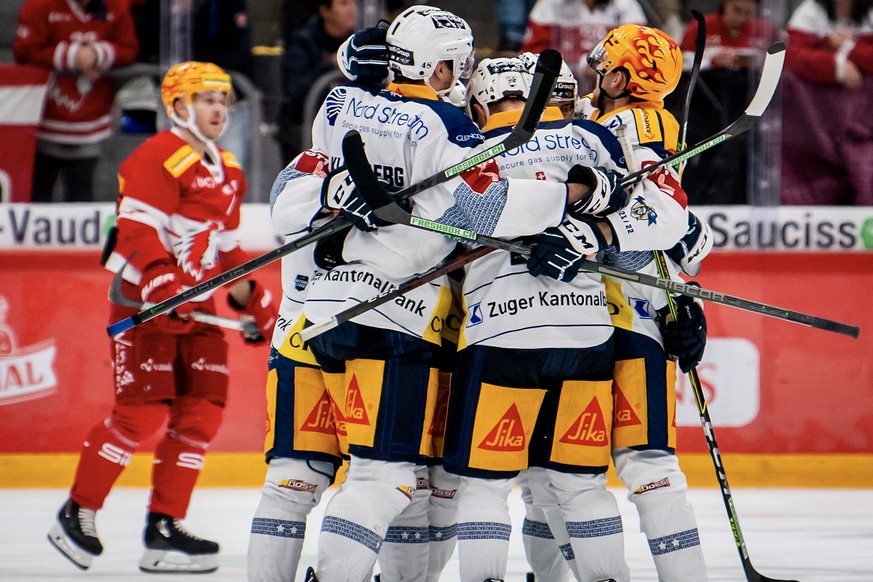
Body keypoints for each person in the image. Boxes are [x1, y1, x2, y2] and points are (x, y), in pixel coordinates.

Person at [298, 6, 594, 581]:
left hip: (328, 308)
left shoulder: (336, 103)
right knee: (385, 478)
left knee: (388, 478)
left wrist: (332, 197)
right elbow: (481, 208)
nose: (460, 77)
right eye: (454, 66)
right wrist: (566, 202)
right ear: (435, 68)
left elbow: (301, 187)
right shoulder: (448, 125)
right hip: (397, 316)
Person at [47, 61, 278, 574]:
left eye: (224, 101)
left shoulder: (229, 170)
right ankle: (77, 510)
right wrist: (158, 278)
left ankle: (164, 528)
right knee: (141, 415)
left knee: (201, 415)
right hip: (145, 304)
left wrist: (249, 297)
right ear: (177, 106)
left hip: (197, 306)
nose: (219, 109)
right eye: (207, 99)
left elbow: (224, 249)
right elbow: (134, 226)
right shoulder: (158, 155)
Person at [573, 24, 711, 580]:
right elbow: (680, 234)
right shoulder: (595, 114)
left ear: (629, 74)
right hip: (587, 307)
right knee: (569, 472)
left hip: (626, 306)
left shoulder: (643, 120)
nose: (596, 69)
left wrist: (685, 285)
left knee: (636, 463)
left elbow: (661, 218)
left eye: (607, 62)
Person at [246, 148, 348, 582]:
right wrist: (334, 191)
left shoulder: (436, 139)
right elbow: (284, 211)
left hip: (383, 335)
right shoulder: (315, 158)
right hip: (310, 336)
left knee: (386, 481)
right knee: (296, 479)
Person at [14, 0, 139, 202]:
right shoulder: (39, 6)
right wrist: (73, 55)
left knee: (81, 194)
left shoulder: (117, 6)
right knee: (39, 195)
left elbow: (129, 49)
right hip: (43, 122)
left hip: (90, 122)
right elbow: (25, 51)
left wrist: (99, 54)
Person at [677, 0, 777, 205]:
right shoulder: (701, 26)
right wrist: (711, 59)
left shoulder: (764, 30)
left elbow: (779, 60)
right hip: (706, 103)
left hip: (745, 104)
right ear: (725, 5)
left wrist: (755, 62)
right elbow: (681, 60)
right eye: (737, 11)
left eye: (748, 13)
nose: (741, 19)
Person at [781, 0, 873, 205]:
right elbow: (792, 56)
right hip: (816, 116)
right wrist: (836, 66)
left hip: (864, 119)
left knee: (865, 169)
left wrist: (845, 47)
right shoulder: (810, 11)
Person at [275, 0, 358, 164]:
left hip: (342, 128)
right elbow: (295, 89)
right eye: (344, 3)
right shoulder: (303, 40)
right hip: (302, 127)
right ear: (324, 10)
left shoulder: (356, 41)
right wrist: (329, 65)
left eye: (354, 3)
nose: (352, 9)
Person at [521, 0, 646, 92]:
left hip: (610, 94)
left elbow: (639, 54)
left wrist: (608, 66)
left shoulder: (626, 5)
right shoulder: (550, 5)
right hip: (558, 92)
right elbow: (533, 56)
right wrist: (575, 66)